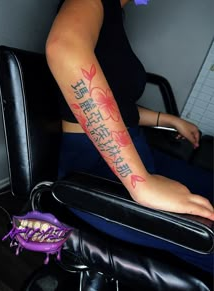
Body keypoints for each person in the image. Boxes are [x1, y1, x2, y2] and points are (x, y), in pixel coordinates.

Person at [45, 0, 213, 273]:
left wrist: (168, 120)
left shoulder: (114, 16)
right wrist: (141, 184)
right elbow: (63, 48)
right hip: (94, 166)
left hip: (136, 151)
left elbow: (114, 106)